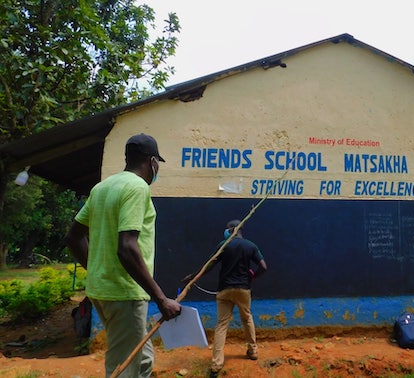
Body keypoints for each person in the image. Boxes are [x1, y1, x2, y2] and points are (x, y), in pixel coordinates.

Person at [65, 133, 181, 378]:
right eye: (157, 163)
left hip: (101, 291)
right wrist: (161, 299)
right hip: (124, 293)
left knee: (143, 359)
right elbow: (127, 247)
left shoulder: (102, 187)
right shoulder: (137, 188)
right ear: (152, 162)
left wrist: (96, 268)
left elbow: (73, 237)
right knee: (123, 369)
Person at [186, 219, 267, 376]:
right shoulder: (251, 246)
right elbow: (263, 267)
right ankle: (253, 351)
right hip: (243, 290)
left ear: (232, 229)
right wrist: (252, 277)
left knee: (222, 324)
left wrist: (193, 277)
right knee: (247, 318)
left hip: (224, 290)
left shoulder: (223, 245)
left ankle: (216, 365)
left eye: (227, 228)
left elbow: (208, 265)